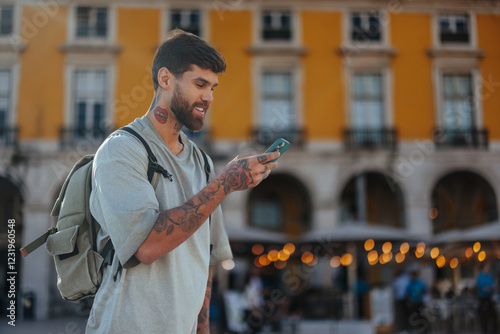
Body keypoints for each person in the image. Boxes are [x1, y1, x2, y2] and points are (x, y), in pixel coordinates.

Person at [86, 29, 280, 334]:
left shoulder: (201, 161)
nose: (209, 97)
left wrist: (202, 329)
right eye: (200, 84)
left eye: (213, 87)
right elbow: (147, 247)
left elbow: (207, 258)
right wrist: (226, 183)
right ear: (166, 79)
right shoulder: (121, 150)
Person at [476, 262, 497, 334]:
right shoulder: (480, 276)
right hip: (483, 299)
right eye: (487, 266)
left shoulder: (489, 276)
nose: (488, 267)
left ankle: (493, 331)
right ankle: (485, 331)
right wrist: (490, 288)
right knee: (484, 317)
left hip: (490, 298)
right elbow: (482, 287)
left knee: (493, 316)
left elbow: (492, 286)